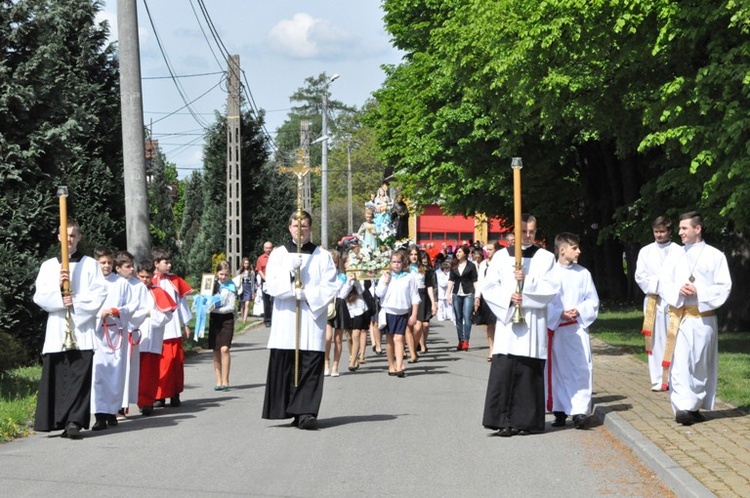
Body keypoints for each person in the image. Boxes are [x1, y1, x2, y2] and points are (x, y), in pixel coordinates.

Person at [482, 214, 559, 437]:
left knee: (528, 372)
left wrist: (528, 281)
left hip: (532, 323)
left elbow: (552, 288)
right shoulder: (500, 258)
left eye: (532, 232)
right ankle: (503, 421)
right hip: (508, 324)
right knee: (505, 369)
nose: (528, 236)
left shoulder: (545, 257)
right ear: (514, 233)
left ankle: (526, 421)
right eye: (524, 231)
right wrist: (509, 297)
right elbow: (489, 286)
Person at [262, 210, 339, 430]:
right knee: (287, 361)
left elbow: (331, 285)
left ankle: (306, 412)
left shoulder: (321, 256)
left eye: (304, 226)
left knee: (309, 362)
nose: (300, 230)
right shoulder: (279, 254)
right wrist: (290, 283)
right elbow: (271, 283)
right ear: (289, 228)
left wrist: (306, 294)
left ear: (310, 229)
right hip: (287, 317)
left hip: (311, 316)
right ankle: (288, 408)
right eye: (296, 226)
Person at [33, 219, 108, 439]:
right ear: (58, 237)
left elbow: (99, 293)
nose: (69, 239)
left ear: (79, 237)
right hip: (57, 328)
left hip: (81, 328)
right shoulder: (48, 266)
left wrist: (74, 300)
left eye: (73, 235)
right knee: (57, 375)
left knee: (79, 376)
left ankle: (74, 421)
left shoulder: (91, 265)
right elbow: (39, 295)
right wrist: (59, 292)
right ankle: (56, 420)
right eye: (65, 235)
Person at [659, 212, 731, 426]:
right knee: (680, 363)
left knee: (700, 364)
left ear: (697, 229)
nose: (679, 232)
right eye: (680, 229)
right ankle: (682, 408)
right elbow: (664, 283)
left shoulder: (715, 256)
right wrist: (679, 290)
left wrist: (698, 291)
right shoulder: (674, 255)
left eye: (684, 228)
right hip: (681, 317)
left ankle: (695, 404)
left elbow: (723, 286)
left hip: (704, 318)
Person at [546, 233, 600, 429]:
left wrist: (578, 310)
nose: (579, 251)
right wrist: (558, 313)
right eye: (574, 247)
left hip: (576, 328)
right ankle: (559, 410)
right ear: (562, 249)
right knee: (557, 371)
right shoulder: (548, 273)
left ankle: (579, 412)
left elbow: (592, 301)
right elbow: (542, 302)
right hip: (556, 329)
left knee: (580, 370)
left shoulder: (583, 273)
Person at [91, 246, 136, 430]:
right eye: (103, 263)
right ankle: (100, 415)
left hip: (116, 332)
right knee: (98, 374)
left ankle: (112, 411)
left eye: (109, 262)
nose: (107, 266)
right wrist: (98, 315)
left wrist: (118, 312)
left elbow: (132, 305)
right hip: (97, 333)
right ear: (96, 263)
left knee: (115, 374)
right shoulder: (92, 282)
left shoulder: (122, 283)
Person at [634, 216, 681, 391]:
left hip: (672, 301)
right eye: (656, 232)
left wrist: (669, 288)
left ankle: (672, 377)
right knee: (654, 338)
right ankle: (657, 379)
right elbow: (640, 276)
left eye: (662, 232)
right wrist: (659, 285)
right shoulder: (646, 251)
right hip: (653, 299)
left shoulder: (678, 251)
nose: (659, 235)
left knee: (672, 336)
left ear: (669, 231)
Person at [152, 247, 193, 408]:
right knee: (161, 364)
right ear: (156, 263)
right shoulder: (149, 281)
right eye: (165, 262)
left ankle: (175, 394)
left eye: (170, 262)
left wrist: (186, 324)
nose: (169, 265)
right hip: (158, 329)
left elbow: (182, 303)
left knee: (176, 362)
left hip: (173, 328)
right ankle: (159, 395)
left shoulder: (175, 280)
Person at [135, 261, 176, 416]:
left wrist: (151, 315)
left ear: (153, 276)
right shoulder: (131, 289)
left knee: (149, 374)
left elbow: (167, 315)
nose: (144, 280)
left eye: (147, 277)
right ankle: (122, 406)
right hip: (133, 338)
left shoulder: (158, 292)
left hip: (151, 338)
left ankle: (146, 402)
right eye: (141, 276)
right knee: (131, 374)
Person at [114, 250, 148, 420]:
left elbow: (144, 309)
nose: (132, 270)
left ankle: (122, 406)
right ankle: (110, 405)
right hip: (111, 333)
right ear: (118, 268)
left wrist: (129, 323)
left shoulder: (139, 286)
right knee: (113, 370)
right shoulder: (112, 283)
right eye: (128, 266)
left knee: (126, 371)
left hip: (129, 332)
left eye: (132, 266)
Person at [375, 250, 420, 377]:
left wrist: (414, 314)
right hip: (388, 311)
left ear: (403, 263)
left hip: (402, 311)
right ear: (390, 263)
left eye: (398, 262)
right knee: (389, 340)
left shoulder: (409, 277)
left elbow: (415, 297)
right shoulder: (385, 276)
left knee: (399, 338)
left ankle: (400, 365)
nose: (396, 265)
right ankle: (391, 365)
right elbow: (378, 294)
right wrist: (385, 281)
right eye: (394, 262)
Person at [208, 261, 236, 390]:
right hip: (215, 320)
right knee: (216, 350)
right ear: (217, 274)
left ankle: (226, 380)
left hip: (227, 320)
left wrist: (214, 309)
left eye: (226, 274)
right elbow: (205, 299)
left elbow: (231, 307)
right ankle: (218, 380)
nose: (223, 277)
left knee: (224, 349)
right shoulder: (212, 285)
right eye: (221, 274)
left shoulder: (231, 287)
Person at [446, 244, 478, 351]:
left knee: (467, 317)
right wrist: (448, 294)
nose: (458, 254)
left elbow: (475, 280)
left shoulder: (471, 266)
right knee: (458, 318)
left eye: (460, 252)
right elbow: (451, 280)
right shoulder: (454, 265)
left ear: (465, 253)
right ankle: (460, 340)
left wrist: (477, 295)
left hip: (468, 292)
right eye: (457, 252)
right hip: (456, 293)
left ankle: (466, 341)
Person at [474, 242, 500, 361]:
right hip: (486, 297)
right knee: (490, 324)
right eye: (487, 250)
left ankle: (500, 349)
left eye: (491, 249)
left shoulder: (501, 263)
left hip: (498, 296)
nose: (488, 252)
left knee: (499, 323)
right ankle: (491, 349)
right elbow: (480, 281)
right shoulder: (483, 264)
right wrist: (477, 297)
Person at [256, 241, 274, 327]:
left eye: (270, 248)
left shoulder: (276, 257)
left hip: (275, 281)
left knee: (275, 301)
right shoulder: (260, 258)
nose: (269, 249)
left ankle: (275, 319)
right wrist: (265, 278)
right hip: (265, 281)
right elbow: (259, 270)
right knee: (266, 301)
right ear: (264, 248)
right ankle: (267, 320)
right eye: (267, 248)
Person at [238, 257, 255, 323]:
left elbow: (253, 283)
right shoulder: (239, 271)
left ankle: (245, 320)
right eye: (245, 263)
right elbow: (236, 281)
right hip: (242, 288)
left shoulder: (252, 272)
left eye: (247, 263)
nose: (246, 265)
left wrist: (253, 292)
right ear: (243, 264)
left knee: (247, 304)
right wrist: (240, 277)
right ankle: (242, 318)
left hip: (249, 288)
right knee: (242, 306)